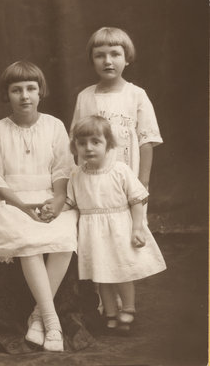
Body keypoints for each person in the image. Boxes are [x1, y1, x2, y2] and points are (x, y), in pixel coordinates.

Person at [0, 61, 78, 352]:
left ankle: (37, 317)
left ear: (41, 91)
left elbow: (62, 170)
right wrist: (22, 207)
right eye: (16, 89)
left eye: (31, 88)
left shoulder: (54, 125)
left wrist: (57, 201)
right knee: (29, 241)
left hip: (47, 197)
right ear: (6, 94)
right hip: (10, 200)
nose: (24, 95)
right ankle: (51, 321)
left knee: (64, 238)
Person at [70, 26, 163, 322]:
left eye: (115, 54)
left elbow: (147, 139)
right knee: (99, 244)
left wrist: (143, 180)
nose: (108, 61)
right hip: (94, 186)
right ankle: (105, 305)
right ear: (92, 60)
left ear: (127, 58)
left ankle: (128, 306)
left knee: (124, 245)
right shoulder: (85, 97)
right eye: (100, 55)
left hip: (126, 183)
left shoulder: (136, 95)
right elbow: (77, 141)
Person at [65, 115, 166, 333]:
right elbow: (70, 202)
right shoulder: (76, 175)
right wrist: (52, 208)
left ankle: (128, 309)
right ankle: (110, 312)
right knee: (102, 276)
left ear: (108, 144)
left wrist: (137, 227)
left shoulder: (119, 170)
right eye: (82, 143)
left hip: (119, 228)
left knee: (121, 273)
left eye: (95, 142)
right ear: (75, 147)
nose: (89, 148)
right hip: (92, 232)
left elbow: (136, 199)